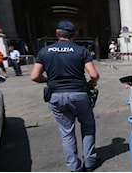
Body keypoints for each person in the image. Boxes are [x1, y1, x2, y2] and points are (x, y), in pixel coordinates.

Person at [30, 20, 101, 172]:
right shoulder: (81, 51)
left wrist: (49, 80)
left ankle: (74, 167)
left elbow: (34, 76)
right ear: (74, 35)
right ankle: (90, 161)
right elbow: (94, 75)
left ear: (57, 33)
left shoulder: (45, 52)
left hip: (56, 95)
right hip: (79, 94)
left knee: (67, 133)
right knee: (88, 126)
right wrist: (91, 83)